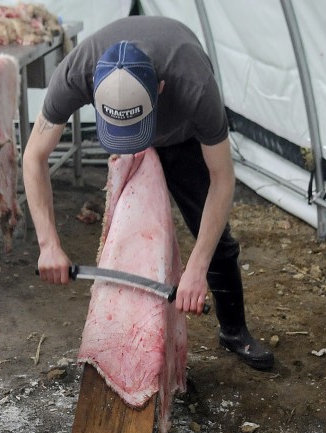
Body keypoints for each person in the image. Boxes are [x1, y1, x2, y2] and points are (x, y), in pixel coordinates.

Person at [22, 15, 274, 371]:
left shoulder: (195, 84)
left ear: (159, 87)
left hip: (183, 136)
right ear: (93, 90)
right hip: (128, 141)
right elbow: (34, 156)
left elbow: (222, 177)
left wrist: (196, 267)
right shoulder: (75, 72)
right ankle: (126, 332)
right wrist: (48, 244)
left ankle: (234, 331)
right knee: (128, 241)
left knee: (217, 240)